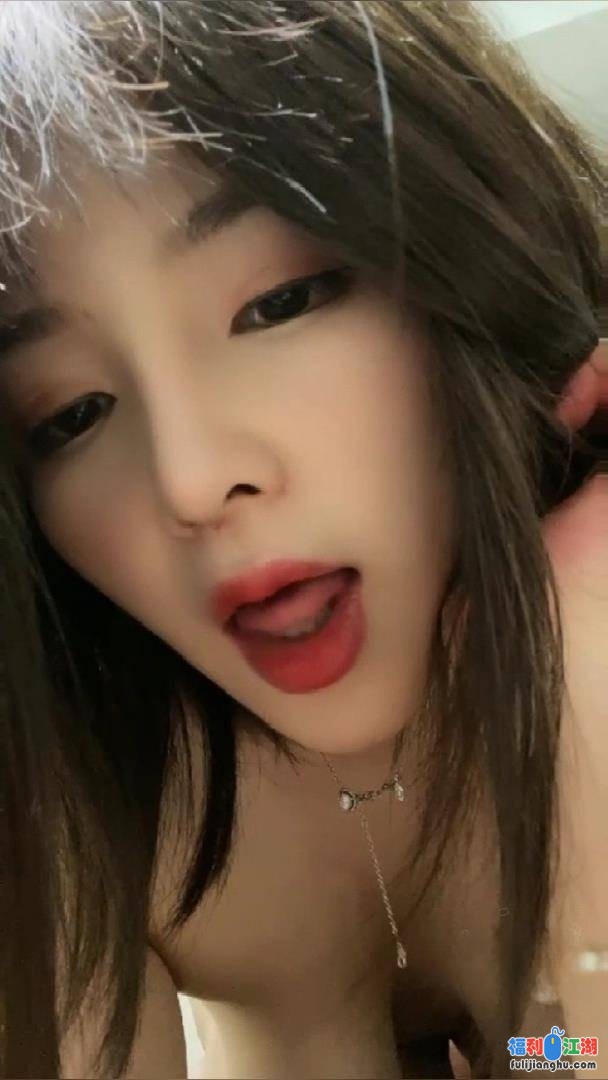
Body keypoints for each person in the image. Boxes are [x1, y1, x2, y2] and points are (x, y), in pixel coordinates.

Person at [0, 2, 605, 1077]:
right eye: (71, 414)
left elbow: (568, 1046)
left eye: (279, 303)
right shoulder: (94, 782)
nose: (191, 481)